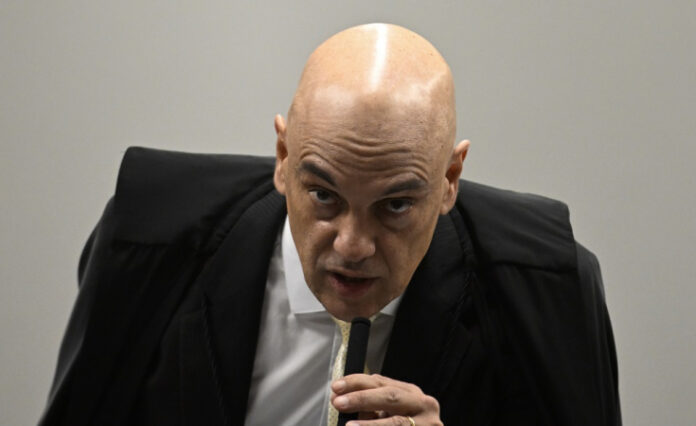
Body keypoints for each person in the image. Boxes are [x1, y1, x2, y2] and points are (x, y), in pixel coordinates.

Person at [40, 23, 621, 425]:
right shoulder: (151, 239)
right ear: (282, 157)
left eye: (395, 205)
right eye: (323, 195)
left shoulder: (546, 287)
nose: (353, 244)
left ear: (450, 179)